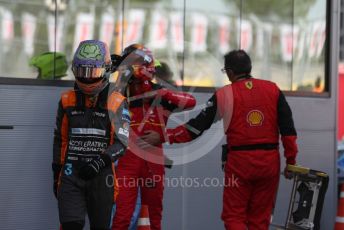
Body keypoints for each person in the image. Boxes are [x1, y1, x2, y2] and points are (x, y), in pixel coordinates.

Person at [145, 49, 298, 229]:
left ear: (230, 72)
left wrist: (163, 136)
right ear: (249, 68)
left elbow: (196, 127)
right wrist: (291, 161)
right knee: (260, 218)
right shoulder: (273, 89)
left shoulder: (225, 94)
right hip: (270, 162)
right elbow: (288, 130)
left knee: (234, 216)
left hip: (240, 163)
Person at [112, 44, 196, 230]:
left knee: (154, 216)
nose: (132, 69)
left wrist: (160, 92)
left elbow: (191, 101)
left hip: (153, 163)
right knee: (122, 216)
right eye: (130, 64)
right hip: (127, 162)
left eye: (136, 64)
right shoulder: (119, 94)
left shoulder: (161, 94)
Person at [52, 40, 129, 230]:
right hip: (71, 176)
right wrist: (56, 173)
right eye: (82, 72)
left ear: (105, 70)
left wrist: (99, 162)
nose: (87, 79)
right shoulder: (66, 100)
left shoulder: (117, 102)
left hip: (102, 178)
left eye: (92, 72)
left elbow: (123, 142)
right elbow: (60, 141)